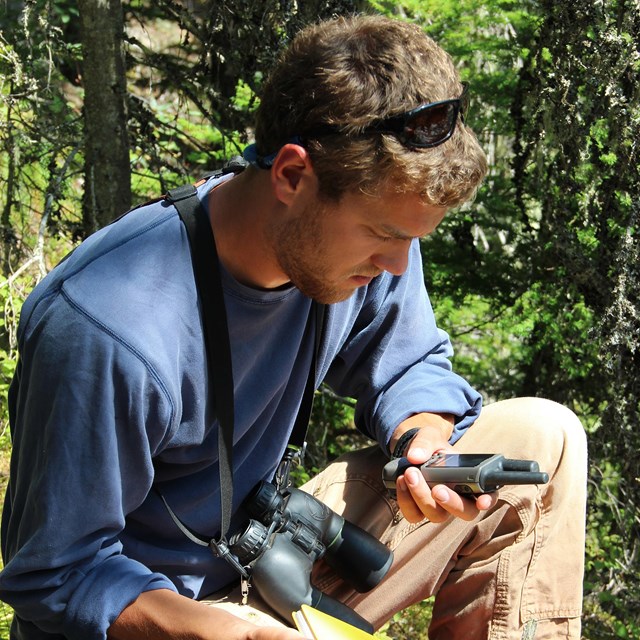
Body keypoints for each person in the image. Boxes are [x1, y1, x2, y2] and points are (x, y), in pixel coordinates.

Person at [0, 14, 587, 640]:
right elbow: (57, 574)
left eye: (411, 240)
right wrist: (227, 631)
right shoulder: (110, 329)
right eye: (385, 236)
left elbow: (408, 364)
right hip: (155, 619)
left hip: (266, 555)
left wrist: (424, 441)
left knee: (541, 437)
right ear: (290, 175)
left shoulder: (368, 235)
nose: (396, 263)